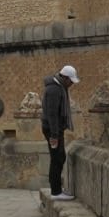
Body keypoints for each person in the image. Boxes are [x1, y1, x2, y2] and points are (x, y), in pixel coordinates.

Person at [42, 64, 80, 201]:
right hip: (53, 129)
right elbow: (52, 114)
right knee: (57, 158)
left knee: (60, 157)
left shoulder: (59, 87)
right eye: (70, 81)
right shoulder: (54, 90)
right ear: (64, 77)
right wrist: (54, 135)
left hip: (56, 128)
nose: (71, 84)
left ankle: (57, 189)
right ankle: (56, 191)